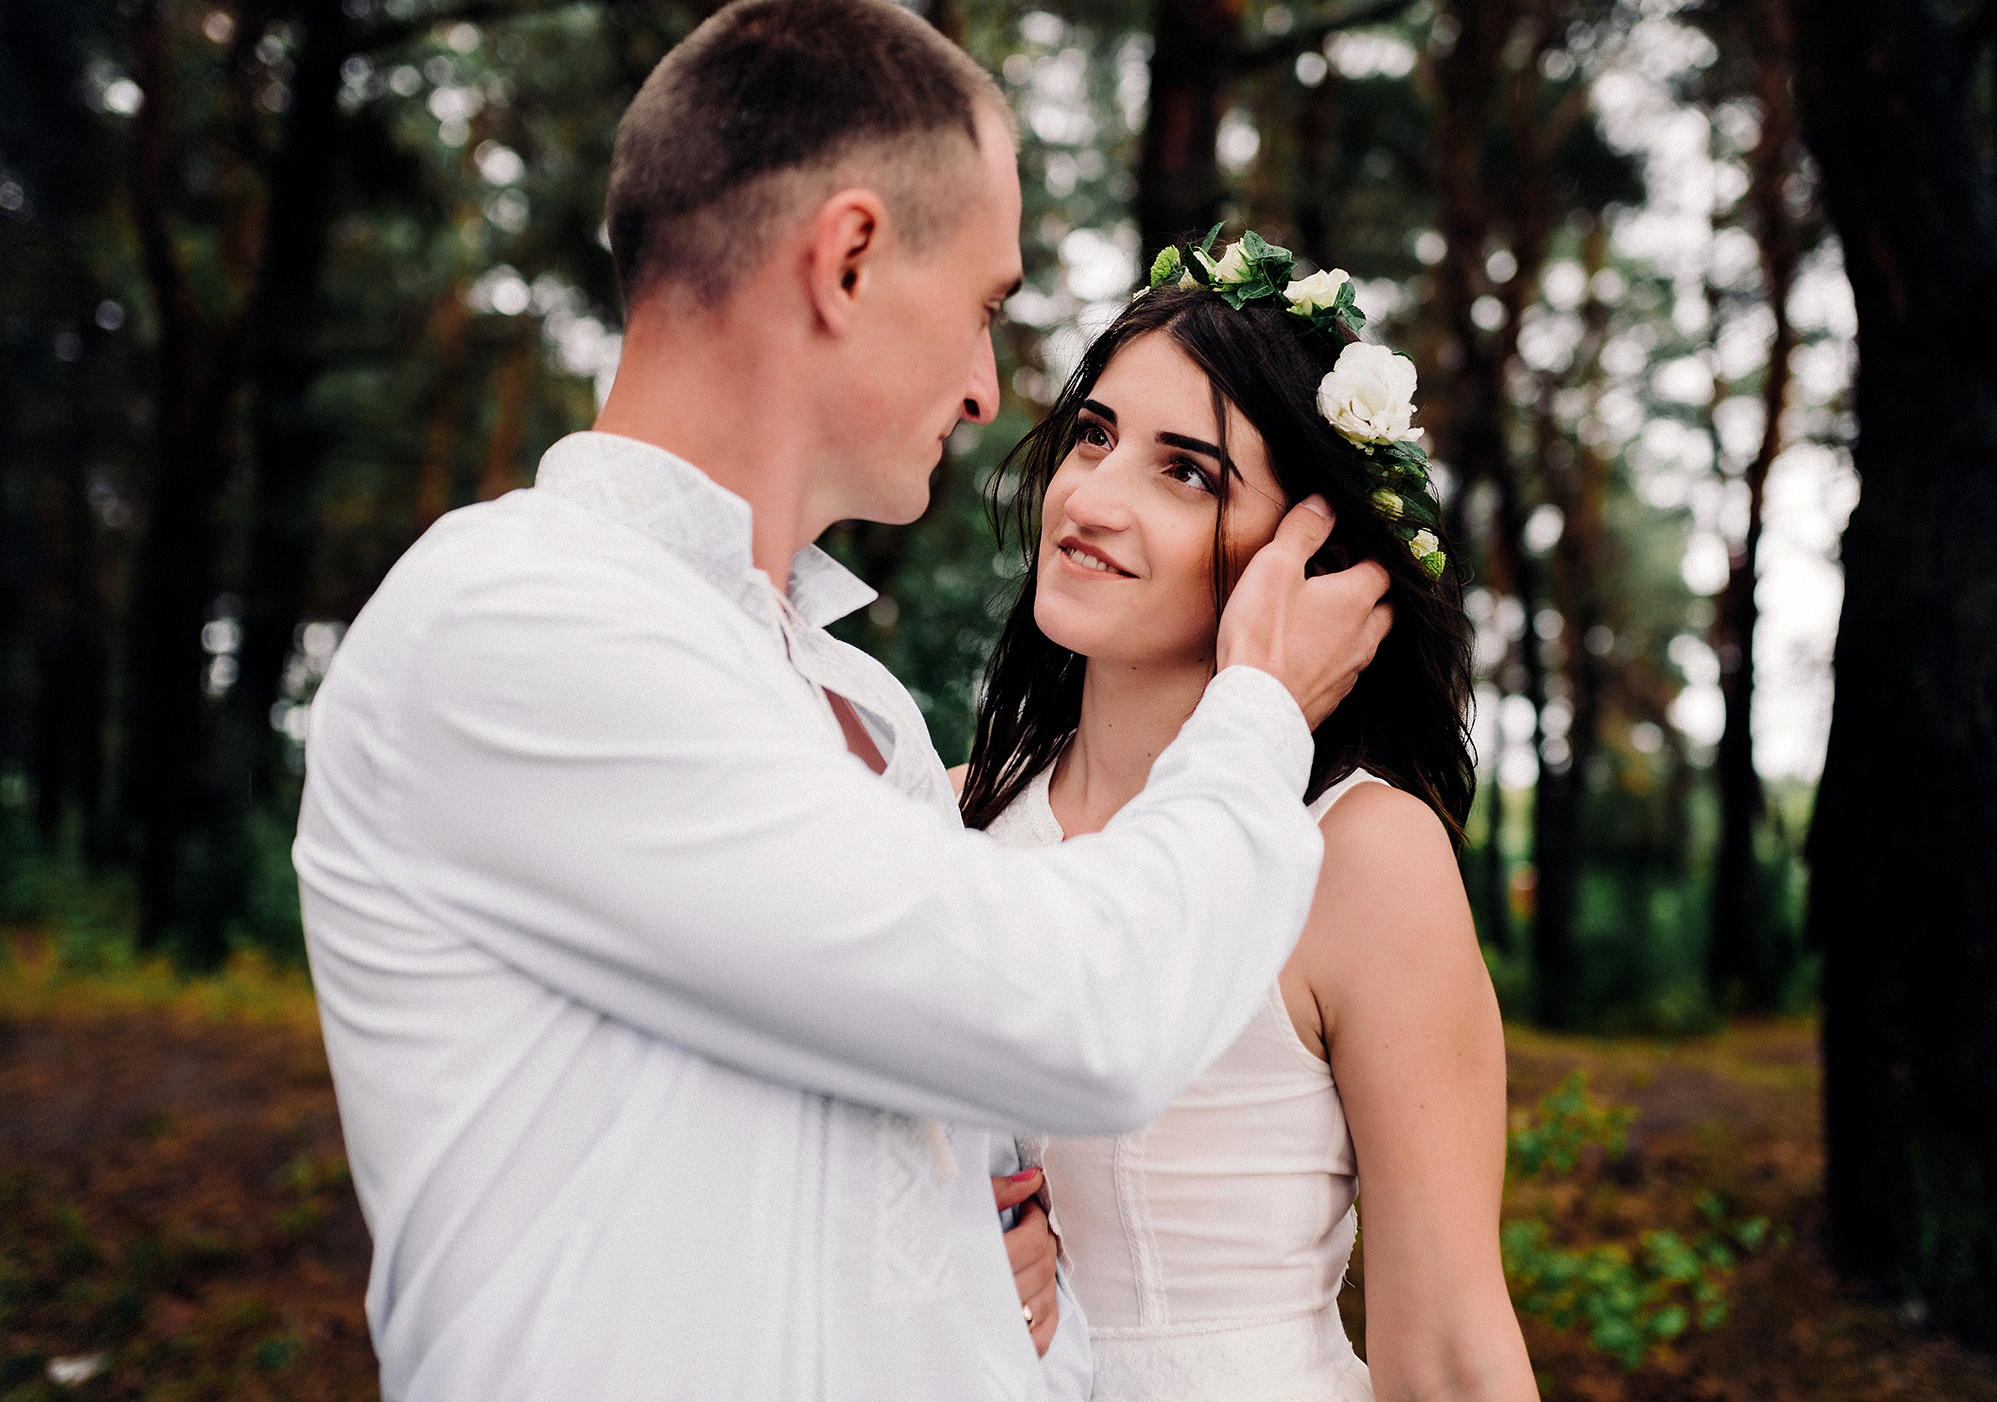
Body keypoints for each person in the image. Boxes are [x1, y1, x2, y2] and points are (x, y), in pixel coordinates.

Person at [291, 3, 1393, 1400]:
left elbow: (942, 1207)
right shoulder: (514, 622)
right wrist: (1261, 709)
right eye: (985, 307)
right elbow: (1082, 1016)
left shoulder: (859, 706)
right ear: (850, 259)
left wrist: (1023, 1300)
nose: (989, 391)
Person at [954, 237, 1538, 1401]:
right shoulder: (960, 808)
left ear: (1310, 556)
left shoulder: (1361, 854)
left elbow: (1450, 1353)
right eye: (1094, 435)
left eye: (1188, 473)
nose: (1091, 500)